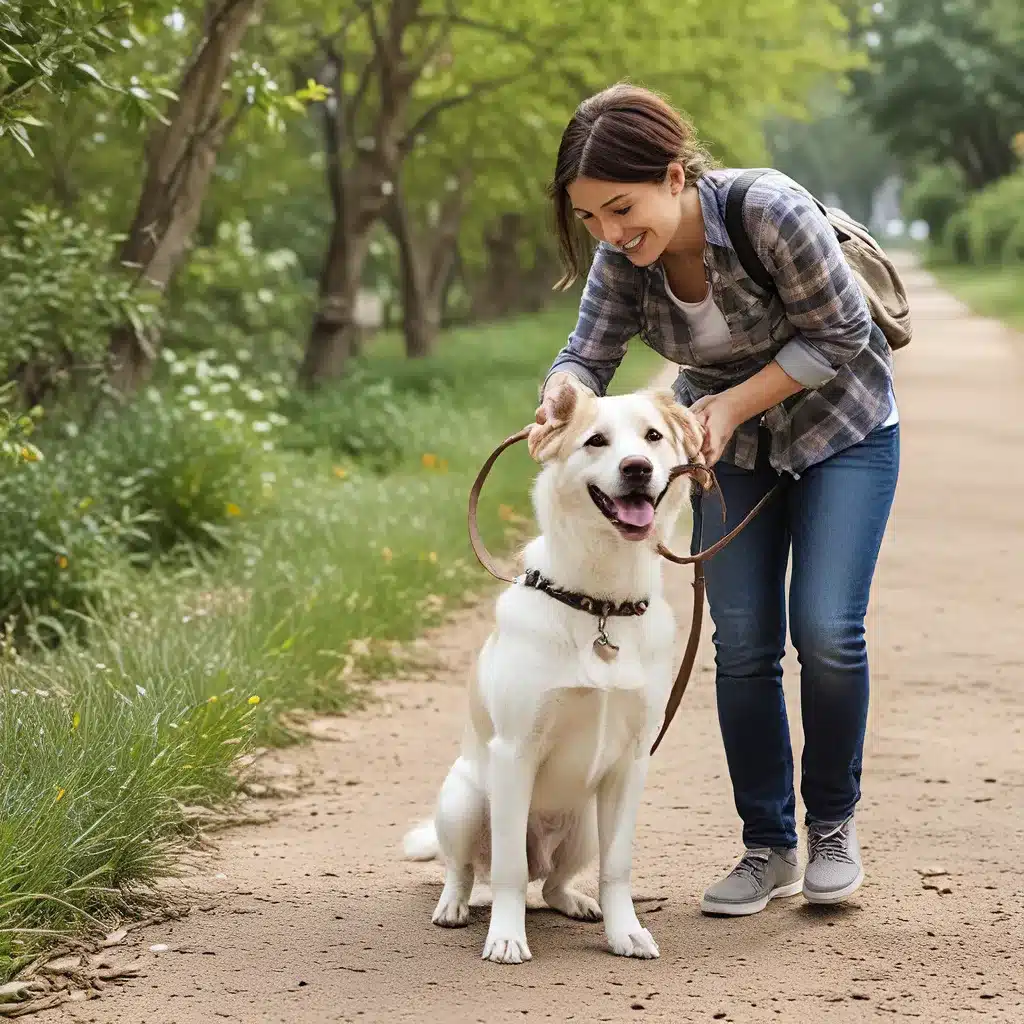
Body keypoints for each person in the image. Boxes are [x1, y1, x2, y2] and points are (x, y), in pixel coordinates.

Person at [535, 82, 900, 916]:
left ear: (674, 175)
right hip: (728, 450)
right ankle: (767, 847)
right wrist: (562, 394)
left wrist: (732, 403)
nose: (610, 234)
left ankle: (832, 828)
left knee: (828, 632)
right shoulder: (622, 258)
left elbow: (844, 332)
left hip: (844, 429)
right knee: (742, 642)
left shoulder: (767, 210)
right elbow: (585, 354)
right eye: (590, 218)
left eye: (621, 208)